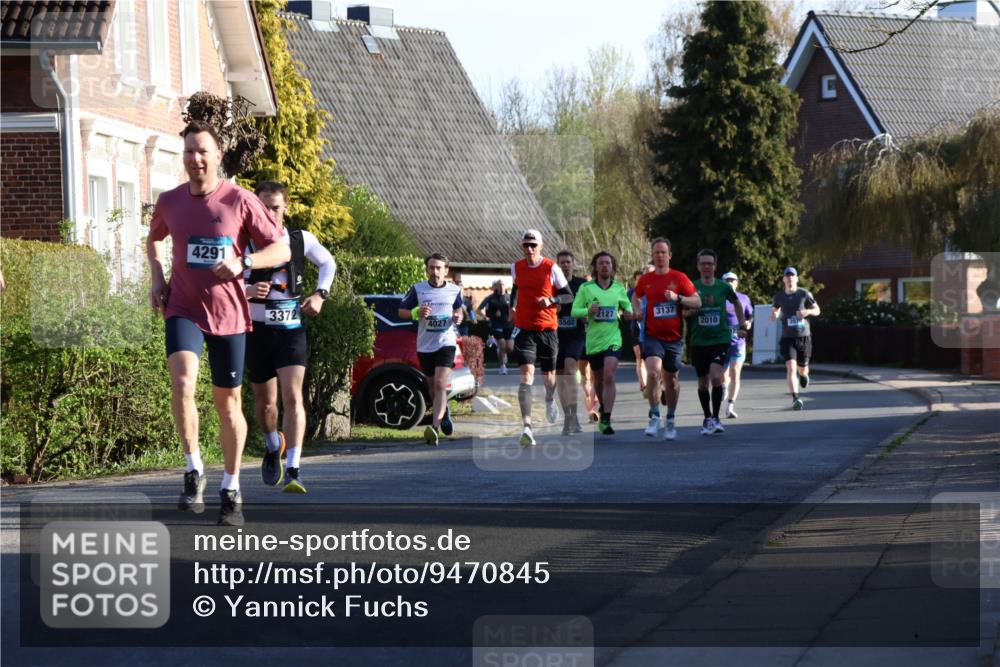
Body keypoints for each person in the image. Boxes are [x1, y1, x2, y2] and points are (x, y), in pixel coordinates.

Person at [147, 121, 290, 526]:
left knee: (227, 405)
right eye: (189, 151)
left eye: (202, 151)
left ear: (218, 155)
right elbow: (154, 238)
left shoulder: (240, 200)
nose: (195, 158)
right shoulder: (170, 201)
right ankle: (193, 469)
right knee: (182, 383)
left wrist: (244, 262)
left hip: (229, 314)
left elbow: (279, 247)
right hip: (184, 308)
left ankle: (231, 488)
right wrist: (157, 276)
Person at [246, 181, 336, 495]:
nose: (269, 213)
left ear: (286, 206)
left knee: (293, 397)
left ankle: (294, 469)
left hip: (290, 327)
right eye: (263, 207)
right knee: (265, 404)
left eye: (275, 207)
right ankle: (274, 446)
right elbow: (225, 283)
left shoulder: (299, 240)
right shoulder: (243, 242)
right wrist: (247, 291)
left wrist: (320, 294)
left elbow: (328, 263)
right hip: (255, 330)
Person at [631, 237, 700, 441]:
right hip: (653, 336)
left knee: (672, 381)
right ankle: (654, 416)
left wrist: (678, 299)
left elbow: (697, 301)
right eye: (656, 252)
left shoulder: (679, 278)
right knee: (652, 373)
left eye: (663, 252)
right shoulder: (646, 280)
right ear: (652, 255)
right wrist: (637, 310)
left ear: (669, 255)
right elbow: (636, 297)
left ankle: (670, 419)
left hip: (675, 338)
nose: (660, 255)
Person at [510, 229, 573, 447]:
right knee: (526, 375)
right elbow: (516, 288)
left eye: (533, 245)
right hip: (525, 329)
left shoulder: (551, 268)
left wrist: (551, 300)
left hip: (547, 329)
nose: (529, 249)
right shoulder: (516, 267)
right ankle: (527, 427)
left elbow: (568, 296)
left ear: (541, 246)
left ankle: (548, 399)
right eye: (526, 245)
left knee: (549, 379)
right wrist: (512, 306)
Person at [399, 253, 464, 445]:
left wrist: (458, 317)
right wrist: (416, 312)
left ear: (446, 270)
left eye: (438, 268)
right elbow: (400, 311)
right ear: (427, 269)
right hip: (425, 345)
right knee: (431, 385)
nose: (435, 272)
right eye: (431, 268)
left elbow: (459, 310)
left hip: (446, 342)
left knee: (440, 384)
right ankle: (444, 414)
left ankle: (434, 428)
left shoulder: (454, 290)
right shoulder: (418, 289)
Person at [571, 251, 634, 435]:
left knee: (609, 375)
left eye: (608, 263)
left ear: (612, 267)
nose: (605, 266)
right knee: (598, 380)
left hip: (613, 339)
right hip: (593, 341)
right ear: (596, 267)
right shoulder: (586, 288)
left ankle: (606, 417)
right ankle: (602, 407)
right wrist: (588, 310)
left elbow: (627, 307)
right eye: (601, 263)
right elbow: (575, 311)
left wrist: (630, 312)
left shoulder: (619, 288)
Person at [686, 251, 747, 435]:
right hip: (698, 341)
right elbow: (683, 310)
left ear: (715, 266)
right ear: (698, 266)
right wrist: (689, 312)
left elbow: (736, 303)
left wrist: (742, 324)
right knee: (703, 383)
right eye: (703, 264)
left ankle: (717, 417)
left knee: (716, 377)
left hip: (720, 339)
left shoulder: (723, 287)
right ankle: (707, 418)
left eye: (710, 264)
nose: (706, 267)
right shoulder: (692, 287)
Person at [771, 267, 820, 411]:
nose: (790, 278)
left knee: (802, 369)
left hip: (803, 336)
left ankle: (804, 375)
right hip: (787, 337)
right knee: (790, 368)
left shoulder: (804, 293)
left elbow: (818, 310)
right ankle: (795, 399)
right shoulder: (779, 296)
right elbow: (775, 309)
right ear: (784, 279)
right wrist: (774, 314)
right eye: (787, 276)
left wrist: (807, 311)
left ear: (797, 278)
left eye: (792, 276)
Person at [555, 250, 588, 435]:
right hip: (556, 337)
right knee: (560, 379)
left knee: (569, 371)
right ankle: (568, 416)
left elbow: (589, 307)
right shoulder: (552, 285)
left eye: (568, 262)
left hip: (576, 335)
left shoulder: (581, 285)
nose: (565, 265)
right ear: (557, 265)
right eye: (562, 262)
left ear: (573, 264)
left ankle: (573, 414)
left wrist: (585, 314)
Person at [721, 272, 754, 418]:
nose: (729, 283)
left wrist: (748, 323)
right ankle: (723, 386)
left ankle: (730, 406)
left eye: (732, 280)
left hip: (738, 342)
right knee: (722, 376)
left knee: (735, 372)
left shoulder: (744, 298)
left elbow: (750, 315)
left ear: (736, 283)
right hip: (721, 342)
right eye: (726, 280)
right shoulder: (718, 297)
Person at [628, 265, 655, 401]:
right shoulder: (632, 293)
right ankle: (644, 385)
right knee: (640, 358)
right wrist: (635, 313)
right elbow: (627, 310)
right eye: (645, 274)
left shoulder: (660, 289)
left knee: (655, 361)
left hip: (656, 329)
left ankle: (657, 386)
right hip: (637, 328)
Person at [476, 280, 513, 374]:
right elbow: (479, 309)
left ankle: (494, 343)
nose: (501, 287)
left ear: (506, 286)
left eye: (503, 285)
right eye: (499, 285)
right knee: (502, 347)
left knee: (509, 348)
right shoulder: (490, 298)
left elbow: (516, 308)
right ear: (496, 287)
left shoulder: (510, 297)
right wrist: (488, 316)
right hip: (496, 325)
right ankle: (502, 367)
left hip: (508, 325)